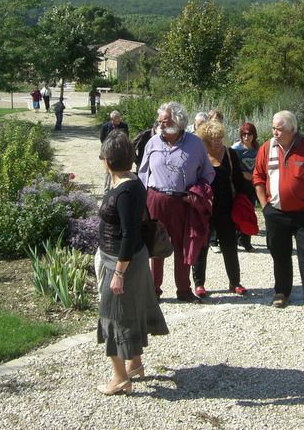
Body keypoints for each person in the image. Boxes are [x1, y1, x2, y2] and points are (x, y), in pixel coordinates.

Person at [96, 131, 168, 395]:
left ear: (107, 160)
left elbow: (129, 234)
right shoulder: (132, 181)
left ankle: (120, 379)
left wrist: (118, 273)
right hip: (128, 258)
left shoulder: (125, 191)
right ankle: (134, 363)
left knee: (112, 316)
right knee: (131, 311)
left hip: (122, 262)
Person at [253, 110, 304, 311]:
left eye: (279, 129)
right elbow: (258, 177)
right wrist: (264, 206)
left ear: (293, 129)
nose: (275, 132)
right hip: (275, 212)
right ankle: (281, 292)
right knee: (279, 254)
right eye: (273, 128)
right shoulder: (266, 148)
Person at [138, 101, 215, 302]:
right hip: (156, 200)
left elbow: (208, 173)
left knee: (183, 247)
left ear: (178, 122)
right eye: (159, 121)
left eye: (165, 121)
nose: (161, 125)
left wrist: (198, 191)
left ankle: (183, 291)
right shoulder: (152, 142)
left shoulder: (195, 144)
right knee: (156, 246)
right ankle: (153, 291)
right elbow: (143, 173)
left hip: (183, 202)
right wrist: (141, 200)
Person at [192, 121, 247, 297]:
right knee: (201, 246)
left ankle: (235, 282)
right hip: (204, 208)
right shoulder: (199, 155)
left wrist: (242, 203)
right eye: (213, 138)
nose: (217, 141)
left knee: (230, 245)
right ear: (205, 139)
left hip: (226, 207)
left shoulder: (230, 154)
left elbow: (238, 180)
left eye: (220, 138)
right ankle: (199, 284)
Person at [232, 122, 259, 252]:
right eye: (244, 134)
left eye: (249, 134)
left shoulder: (258, 149)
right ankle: (236, 238)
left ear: (254, 135)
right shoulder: (235, 149)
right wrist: (243, 174)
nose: (246, 137)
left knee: (249, 211)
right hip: (239, 184)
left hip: (253, 185)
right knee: (238, 210)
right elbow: (232, 167)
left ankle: (245, 239)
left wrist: (254, 176)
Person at [100, 111, 129, 191]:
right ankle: (106, 189)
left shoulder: (124, 126)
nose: (118, 120)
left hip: (120, 151)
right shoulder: (105, 126)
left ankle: (118, 187)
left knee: (120, 170)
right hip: (108, 151)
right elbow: (102, 139)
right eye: (116, 118)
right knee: (108, 170)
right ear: (111, 119)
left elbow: (126, 137)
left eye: (119, 118)